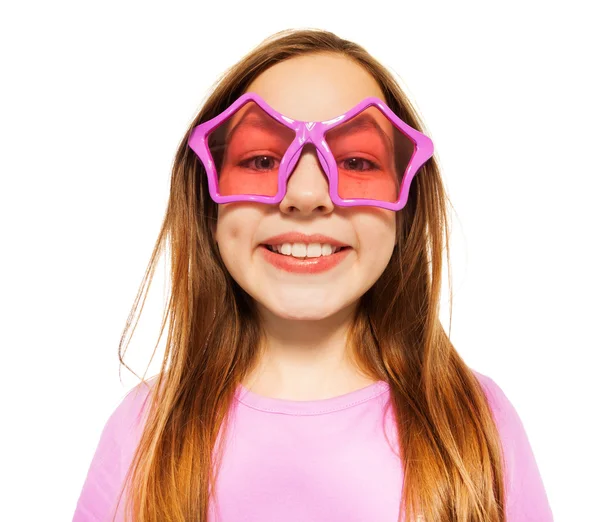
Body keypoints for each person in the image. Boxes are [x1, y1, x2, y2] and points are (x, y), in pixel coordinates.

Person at [72, 28, 553, 522]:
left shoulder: (476, 423)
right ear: (207, 201)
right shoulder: (144, 432)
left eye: (357, 161)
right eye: (261, 159)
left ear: (405, 208)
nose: (305, 193)